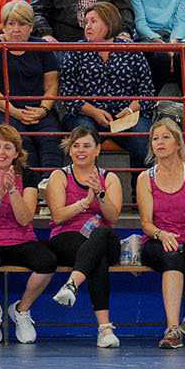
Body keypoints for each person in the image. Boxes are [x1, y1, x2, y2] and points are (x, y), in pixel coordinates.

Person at [0, 124, 57, 344]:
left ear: (17, 153)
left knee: (47, 262)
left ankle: (22, 310)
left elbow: (25, 219)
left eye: (8, 148)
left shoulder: (28, 176)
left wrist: (13, 190)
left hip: (20, 238)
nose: (1, 152)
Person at [43, 125, 126, 347]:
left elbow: (113, 217)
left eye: (87, 146)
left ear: (97, 149)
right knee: (96, 260)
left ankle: (72, 284)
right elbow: (58, 216)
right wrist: (84, 203)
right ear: (69, 150)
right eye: (76, 146)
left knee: (101, 233)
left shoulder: (109, 178)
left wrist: (99, 194)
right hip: (67, 238)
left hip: (104, 238)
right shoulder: (59, 176)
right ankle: (105, 328)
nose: (81, 150)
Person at [137, 117, 185, 348]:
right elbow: (146, 223)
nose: (159, 142)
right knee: (173, 257)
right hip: (157, 239)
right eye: (155, 139)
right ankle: (172, 328)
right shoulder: (145, 178)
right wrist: (162, 234)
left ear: (178, 144)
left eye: (165, 137)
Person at [58, 3, 154, 170]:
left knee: (142, 139)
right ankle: (87, 188)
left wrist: (130, 110)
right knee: (84, 138)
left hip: (125, 115)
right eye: (86, 22)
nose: (88, 26)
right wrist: (94, 112)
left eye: (93, 21)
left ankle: (140, 192)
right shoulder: (76, 51)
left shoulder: (131, 51)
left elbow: (147, 92)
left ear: (109, 23)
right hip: (87, 114)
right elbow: (67, 93)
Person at [0, 2, 60, 157]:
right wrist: (14, 112)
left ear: (31, 27)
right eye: (11, 24)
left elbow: (52, 83)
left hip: (36, 109)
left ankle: (49, 180)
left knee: (51, 141)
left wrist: (43, 109)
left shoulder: (41, 46)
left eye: (22, 24)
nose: (16, 29)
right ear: (3, 26)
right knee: (19, 141)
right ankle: (29, 181)